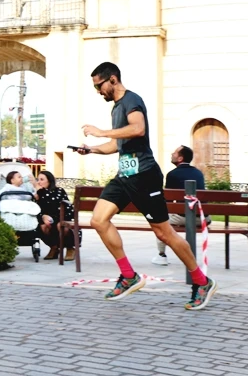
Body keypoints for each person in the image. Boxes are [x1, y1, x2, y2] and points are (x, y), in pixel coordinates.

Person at [73, 62, 217, 310]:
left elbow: (138, 129)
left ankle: (201, 281)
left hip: (144, 175)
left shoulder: (132, 100)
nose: (98, 91)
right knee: (98, 220)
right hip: (125, 176)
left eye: (100, 85)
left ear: (113, 80)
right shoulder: (117, 108)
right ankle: (129, 276)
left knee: (164, 233)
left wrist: (101, 132)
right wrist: (93, 149)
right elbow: (119, 145)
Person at [153, 145, 210, 266]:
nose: (171, 154)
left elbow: (167, 200)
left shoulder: (172, 175)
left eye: (174, 153)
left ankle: (161, 255)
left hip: (184, 217)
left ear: (180, 158)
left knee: (159, 222)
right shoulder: (198, 173)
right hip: (203, 218)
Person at [33, 170, 78, 261]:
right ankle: (54, 247)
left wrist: (41, 192)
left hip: (62, 217)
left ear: (49, 180)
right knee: (42, 227)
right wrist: (43, 216)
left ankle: (70, 248)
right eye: (38, 179)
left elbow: (57, 206)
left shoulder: (59, 191)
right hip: (46, 219)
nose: (39, 182)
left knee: (60, 226)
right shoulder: (38, 194)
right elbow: (34, 209)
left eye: (42, 179)